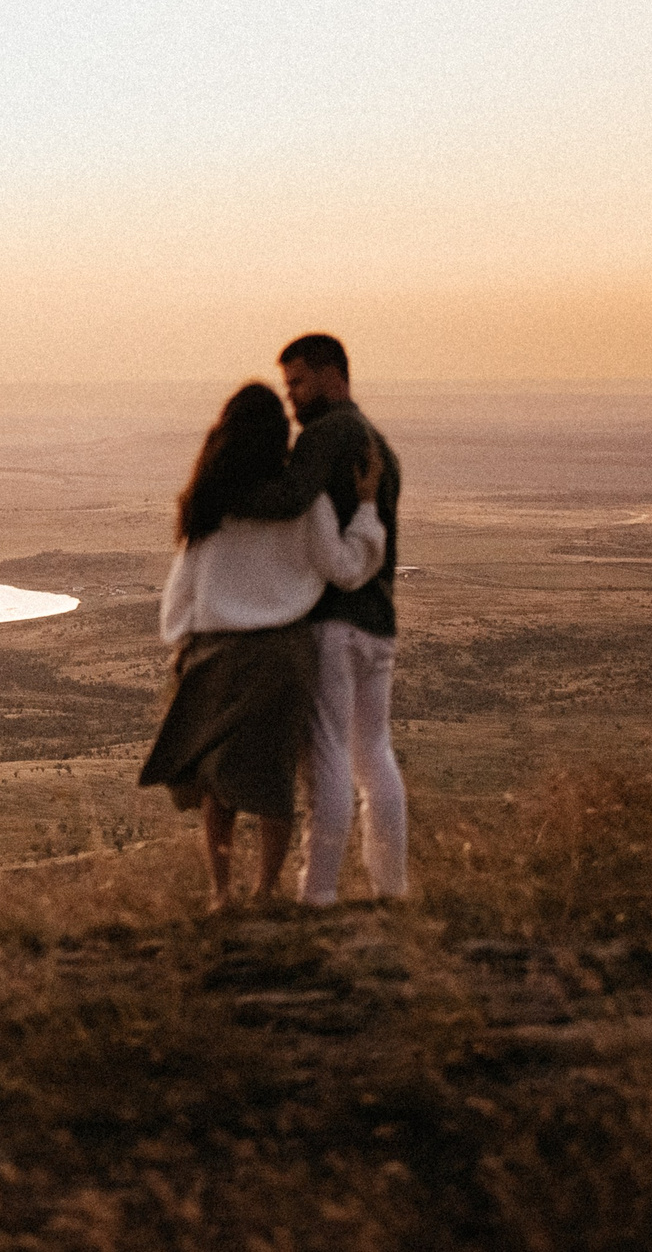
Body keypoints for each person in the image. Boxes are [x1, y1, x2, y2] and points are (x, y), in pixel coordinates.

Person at [141, 381, 386, 910]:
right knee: (272, 777)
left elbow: (184, 584)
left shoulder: (208, 503)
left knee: (217, 782)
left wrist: (181, 643)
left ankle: (222, 894)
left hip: (213, 653)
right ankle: (267, 891)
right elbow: (344, 570)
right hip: (281, 656)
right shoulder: (306, 502)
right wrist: (366, 510)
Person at [237, 333, 407, 905]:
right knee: (374, 755)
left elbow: (289, 499)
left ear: (335, 377)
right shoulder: (380, 443)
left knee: (329, 755)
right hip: (378, 622)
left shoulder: (327, 434)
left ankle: (319, 894)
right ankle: (391, 888)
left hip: (334, 621)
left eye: (299, 383)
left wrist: (220, 496)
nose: (292, 399)